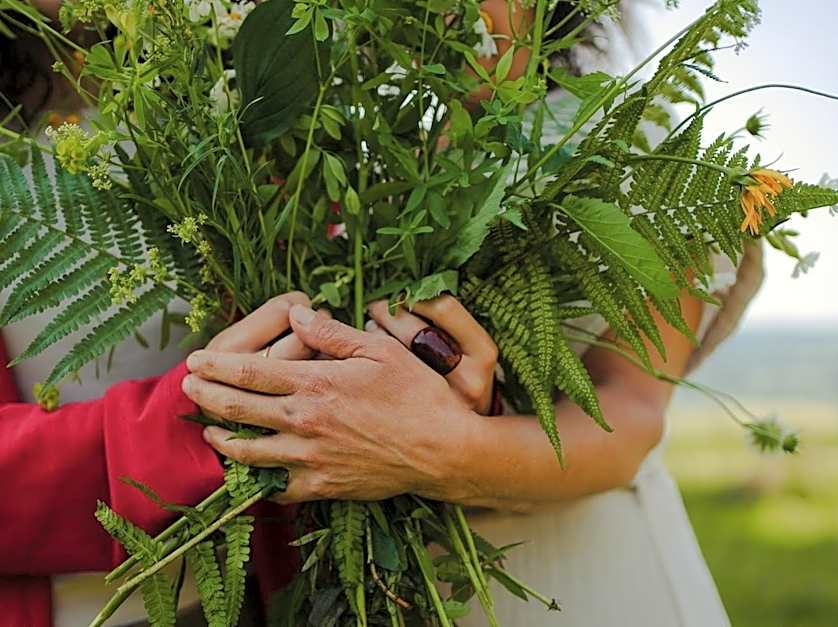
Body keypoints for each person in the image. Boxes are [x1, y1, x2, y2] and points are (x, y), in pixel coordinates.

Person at [2, 2, 762, 626]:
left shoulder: (642, 142)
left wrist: (442, 439)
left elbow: (629, 420)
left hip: (585, 573)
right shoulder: (331, 128)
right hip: (366, 590)